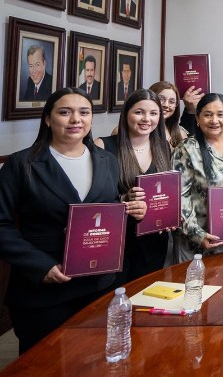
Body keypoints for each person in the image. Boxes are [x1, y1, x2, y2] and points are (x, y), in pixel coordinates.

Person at [0, 88, 146, 353]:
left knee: (93, 360)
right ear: (47, 119)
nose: (75, 119)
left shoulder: (107, 161)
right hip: (44, 288)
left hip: (97, 286)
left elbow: (108, 213)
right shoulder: (21, 164)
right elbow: (2, 225)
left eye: (84, 112)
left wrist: (131, 212)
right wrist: (40, 266)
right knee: (44, 364)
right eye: (65, 112)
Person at [95, 89, 173, 283]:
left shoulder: (165, 147)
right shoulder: (103, 146)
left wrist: (171, 214)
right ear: (126, 113)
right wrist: (123, 200)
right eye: (139, 112)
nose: (146, 119)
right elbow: (94, 200)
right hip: (117, 241)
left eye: (153, 113)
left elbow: (169, 193)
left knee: (145, 297)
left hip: (154, 241)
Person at [172, 93, 223, 261]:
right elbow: (179, 196)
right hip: (200, 241)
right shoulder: (187, 149)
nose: (214, 120)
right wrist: (197, 234)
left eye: (220, 114)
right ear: (197, 118)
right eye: (208, 114)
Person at [150, 80, 188, 148]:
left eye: (171, 101)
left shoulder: (181, 134)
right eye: (161, 99)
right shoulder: (142, 130)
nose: (166, 105)